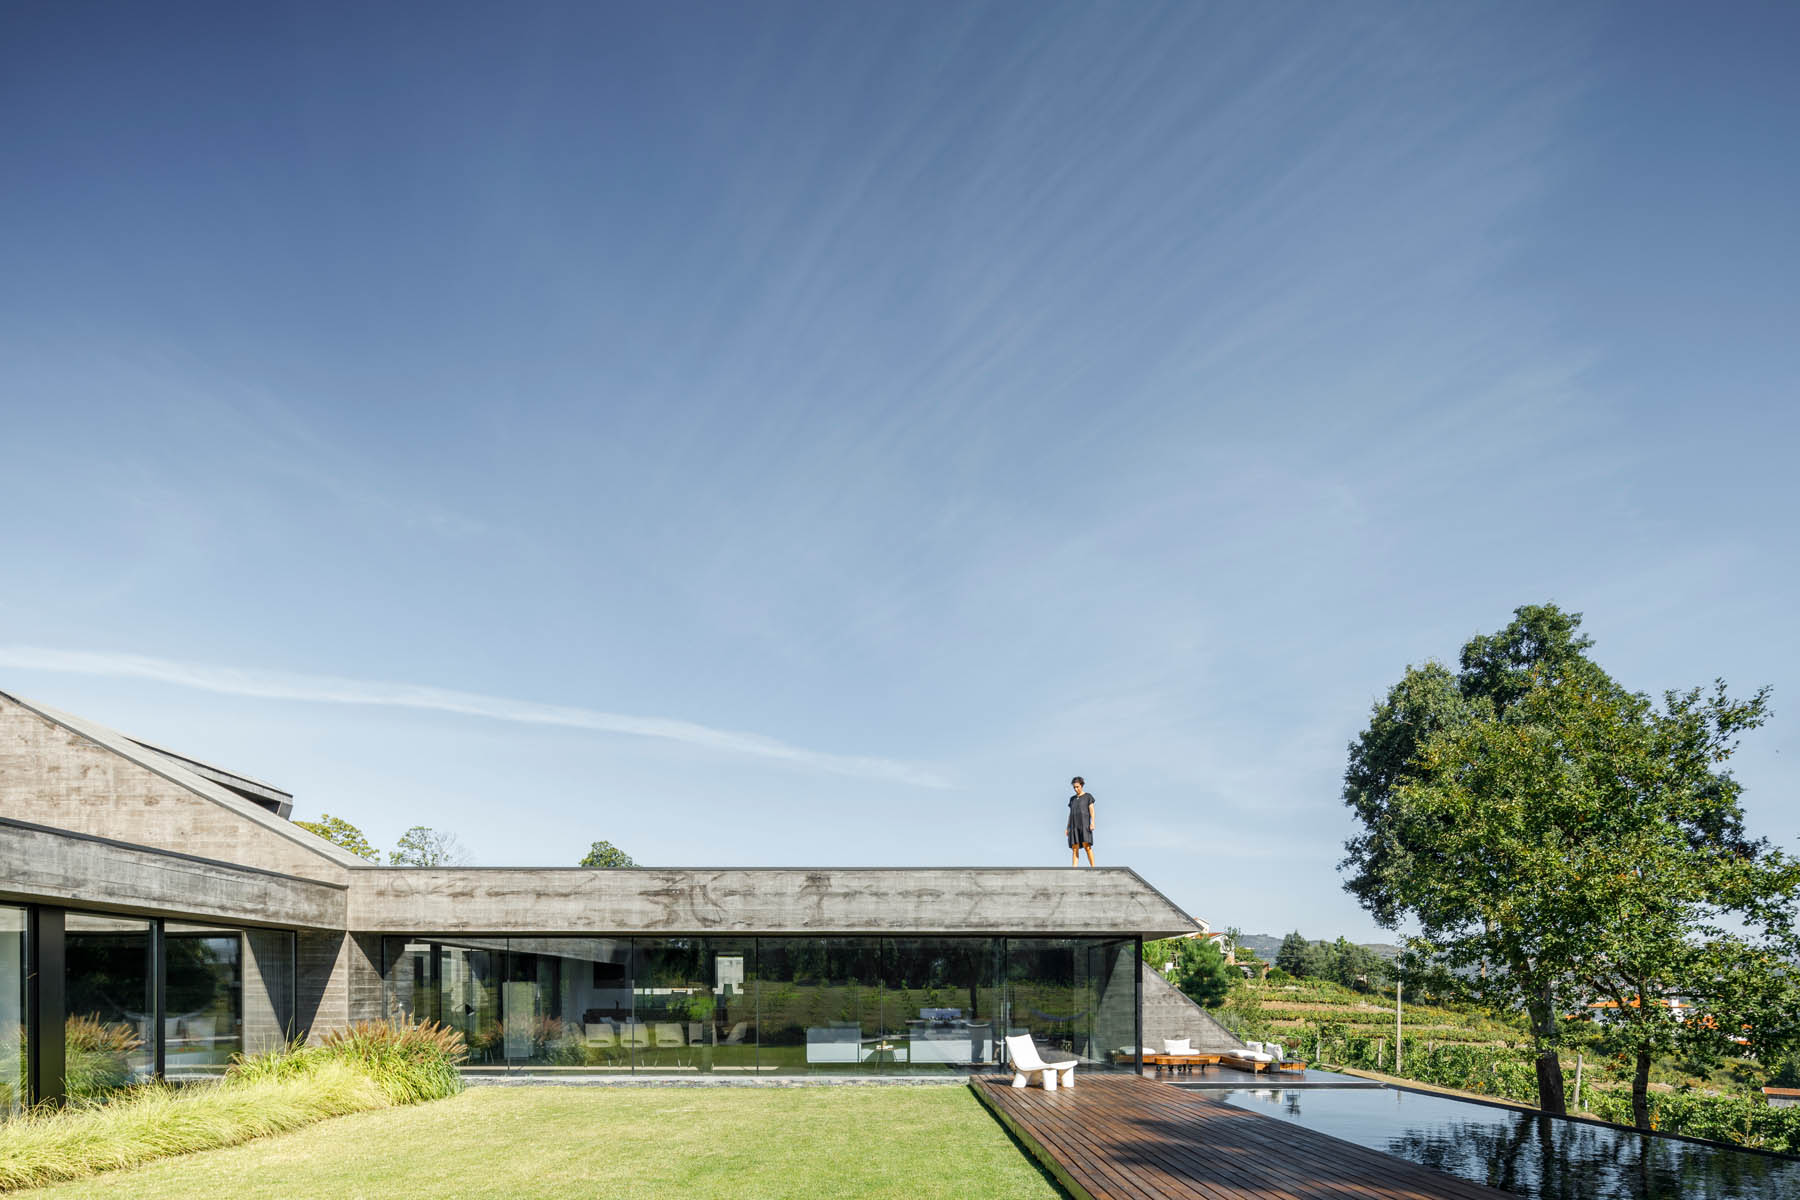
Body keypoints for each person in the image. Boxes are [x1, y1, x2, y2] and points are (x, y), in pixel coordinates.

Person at [1067, 776, 1095, 867]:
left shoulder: (1088, 796)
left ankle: (1093, 867)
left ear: (1081, 785)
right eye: (1074, 787)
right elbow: (1070, 814)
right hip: (1074, 825)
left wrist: (1092, 822)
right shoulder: (1072, 799)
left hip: (1085, 824)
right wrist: (1068, 827)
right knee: (1075, 848)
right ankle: (1074, 869)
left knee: (1087, 846)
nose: (1075, 789)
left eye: (1077, 787)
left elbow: (1092, 810)